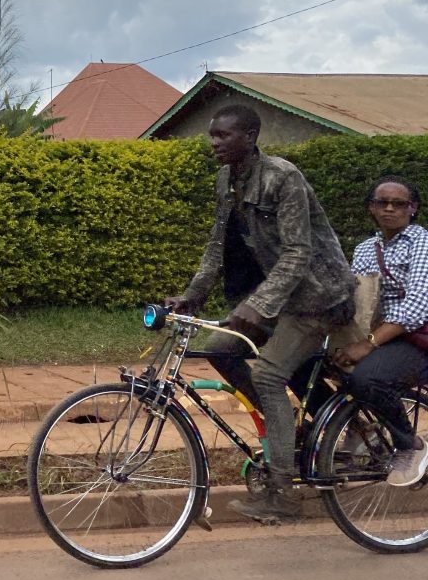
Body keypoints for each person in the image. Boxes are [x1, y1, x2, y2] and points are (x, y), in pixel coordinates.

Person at [166, 104, 353, 523]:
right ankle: (285, 432)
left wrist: (256, 305)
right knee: (222, 350)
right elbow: (218, 245)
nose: (213, 142)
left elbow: (298, 252)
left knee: (269, 375)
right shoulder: (226, 179)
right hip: (282, 295)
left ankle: (282, 494)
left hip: (318, 296)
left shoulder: (282, 177)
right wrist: (191, 296)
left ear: (249, 137)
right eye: (212, 135)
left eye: (223, 135)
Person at [334, 176, 428, 486]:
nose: (389, 209)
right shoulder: (365, 249)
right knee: (319, 363)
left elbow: (416, 307)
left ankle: (408, 445)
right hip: (384, 337)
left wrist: (369, 344)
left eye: (398, 203)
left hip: (416, 337)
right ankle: (363, 433)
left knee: (368, 377)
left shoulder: (421, 242)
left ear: (412, 208)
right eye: (381, 203)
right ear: (371, 208)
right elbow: (358, 300)